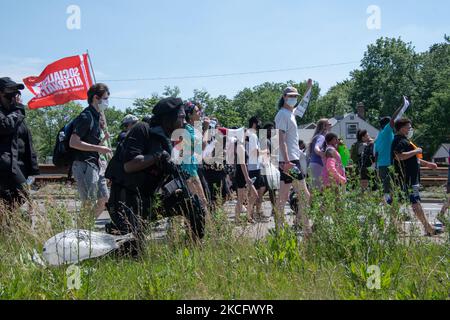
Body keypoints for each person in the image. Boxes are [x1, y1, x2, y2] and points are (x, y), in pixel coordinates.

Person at [392, 118, 443, 236]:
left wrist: (427, 164)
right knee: (415, 203)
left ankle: (394, 227)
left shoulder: (404, 140)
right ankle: (428, 228)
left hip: (408, 178)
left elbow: (413, 159)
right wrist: (416, 151)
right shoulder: (399, 140)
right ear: (402, 128)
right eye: (408, 127)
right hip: (407, 178)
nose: (410, 130)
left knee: (398, 203)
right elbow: (398, 156)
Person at [69, 83, 112, 216]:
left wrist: (104, 140)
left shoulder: (96, 117)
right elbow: (73, 142)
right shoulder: (86, 116)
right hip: (84, 164)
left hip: (95, 164)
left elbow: (91, 144)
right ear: (95, 98)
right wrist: (100, 147)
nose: (107, 102)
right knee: (88, 202)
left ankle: (86, 227)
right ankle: (82, 232)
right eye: (105, 98)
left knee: (104, 199)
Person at [275, 86, 312, 235]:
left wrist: (309, 89)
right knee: (305, 195)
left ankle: (281, 227)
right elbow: (281, 139)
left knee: (283, 196)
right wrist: (287, 161)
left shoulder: (290, 114)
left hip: (289, 160)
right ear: (284, 97)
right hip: (290, 160)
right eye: (290, 96)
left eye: (295, 96)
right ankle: (305, 227)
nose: (293, 98)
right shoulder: (282, 115)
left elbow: (302, 106)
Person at [0, 77, 39, 211]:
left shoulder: (15, 112)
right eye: (11, 89)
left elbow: (26, 140)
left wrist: (33, 168)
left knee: (12, 199)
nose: (15, 93)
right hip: (5, 164)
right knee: (22, 194)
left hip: (19, 165)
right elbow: (4, 126)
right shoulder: (15, 112)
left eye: (16, 89)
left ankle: (6, 224)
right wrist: (18, 110)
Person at [181, 102, 209, 216]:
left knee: (196, 204)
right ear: (190, 115)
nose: (200, 113)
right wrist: (206, 129)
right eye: (197, 111)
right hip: (188, 170)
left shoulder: (189, 128)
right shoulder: (188, 128)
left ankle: (194, 231)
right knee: (201, 203)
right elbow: (202, 145)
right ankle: (199, 231)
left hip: (190, 168)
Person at [246, 116, 266, 221]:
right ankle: (250, 215)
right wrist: (265, 152)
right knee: (254, 193)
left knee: (258, 190)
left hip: (254, 166)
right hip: (253, 167)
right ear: (254, 123)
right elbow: (255, 151)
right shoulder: (252, 135)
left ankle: (253, 213)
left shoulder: (250, 134)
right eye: (259, 122)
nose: (260, 124)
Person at [308, 119, 332, 190]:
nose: (331, 126)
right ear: (324, 126)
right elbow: (317, 147)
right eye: (329, 124)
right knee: (320, 189)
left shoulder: (316, 136)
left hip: (313, 164)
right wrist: (322, 154)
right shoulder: (321, 137)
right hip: (318, 165)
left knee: (314, 189)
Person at [95, 113, 111, 218]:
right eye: (101, 120)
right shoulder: (95, 132)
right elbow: (94, 149)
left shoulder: (102, 132)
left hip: (104, 169)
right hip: (97, 168)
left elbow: (107, 153)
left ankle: (86, 223)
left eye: (103, 120)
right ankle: (86, 223)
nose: (103, 122)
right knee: (104, 199)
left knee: (103, 200)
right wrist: (104, 139)